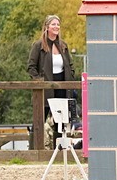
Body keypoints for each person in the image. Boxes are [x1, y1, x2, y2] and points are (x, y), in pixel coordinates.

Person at [27, 15, 79, 147]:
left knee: (60, 120)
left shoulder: (63, 46)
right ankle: (34, 149)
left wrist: (70, 78)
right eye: (53, 24)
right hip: (45, 87)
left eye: (58, 24)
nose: (56, 27)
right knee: (40, 118)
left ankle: (59, 150)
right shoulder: (38, 45)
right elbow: (31, 67)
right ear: (46, 27)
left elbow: (70, 66)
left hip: (62, 86)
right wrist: (39, 81)